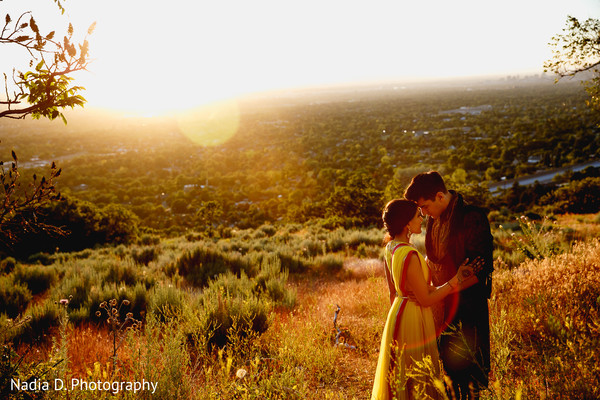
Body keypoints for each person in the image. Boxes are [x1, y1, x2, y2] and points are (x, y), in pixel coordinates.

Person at [371, 199, 481, 400]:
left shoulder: (391, 247)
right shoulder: (410, 254)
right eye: (417, 216)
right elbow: (426, 300)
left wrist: (398, 320)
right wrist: (455, 280)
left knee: (401, 374)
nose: (422, 218)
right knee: (418, 375)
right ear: (406, 224)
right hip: (413, 315)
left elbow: (393, 292)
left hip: (398, 312)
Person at [404, 171, 493, 400]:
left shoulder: (471, 217)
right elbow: (433, 259)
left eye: (424, 206)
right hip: (442, 306)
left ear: (440, 196)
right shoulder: (435, 218)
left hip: (468, 308)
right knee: (450, 375)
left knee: (470, 377)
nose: (422, 214)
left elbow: (479, 270)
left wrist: (444, 288)